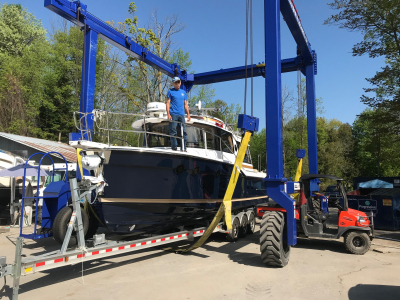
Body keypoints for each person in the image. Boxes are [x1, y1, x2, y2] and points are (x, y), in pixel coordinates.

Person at [166, 77, 191, 151]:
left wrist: (188, 114)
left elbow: (185, 104)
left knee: (184, 131)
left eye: (178, 82)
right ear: (173, 83)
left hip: (182, 115)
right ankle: (174, 146)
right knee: (173, 130)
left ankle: (184, 147)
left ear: (180, 83)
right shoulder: (170, 91)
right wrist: (168, 114)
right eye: (176, 82)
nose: (177, 84)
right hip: (173, 114)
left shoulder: (183, 92)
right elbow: (167, 103)